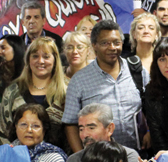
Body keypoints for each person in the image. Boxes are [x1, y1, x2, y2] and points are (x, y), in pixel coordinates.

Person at [63, 20, 147, 153]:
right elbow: (70, 123)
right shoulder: (79, 80)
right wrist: (81, 156)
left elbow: (152, 107)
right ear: (94, 45)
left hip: (138, 155)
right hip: (98, 157)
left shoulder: (137, 71)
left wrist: (149, 131)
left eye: (116, 42)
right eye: (105, 43)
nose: (112, 47)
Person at [0, 37, 69, 151]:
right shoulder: (13, 91)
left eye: (46, 56)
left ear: (55, 60)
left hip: (60, 158)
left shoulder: (67, 90)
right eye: (35, 56)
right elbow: (3, 131)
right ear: (28, 60)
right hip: (19, 157)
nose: (40, 61)